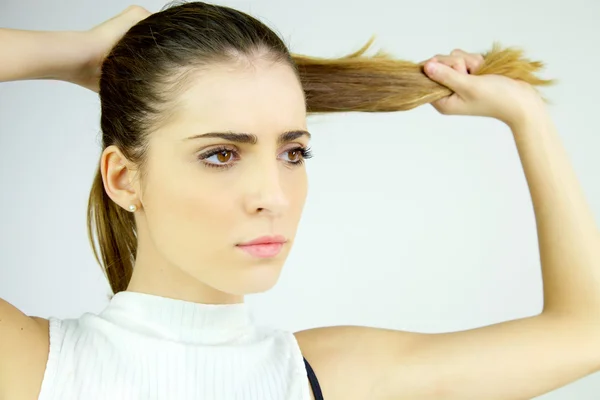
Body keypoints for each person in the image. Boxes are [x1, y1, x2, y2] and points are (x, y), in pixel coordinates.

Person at [1, 2, 599, 400]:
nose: (273, 197)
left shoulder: (325, 378)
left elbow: (586, 334)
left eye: (293, 153)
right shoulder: (37, 367)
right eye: (221, 154)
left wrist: (527, 114)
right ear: (124, 179)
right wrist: (72, 54)